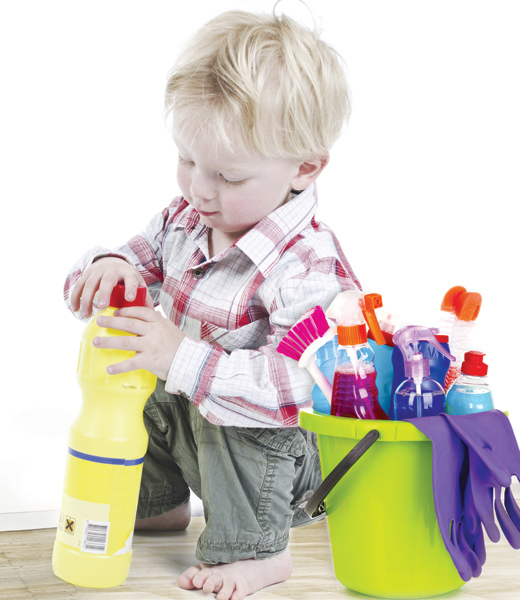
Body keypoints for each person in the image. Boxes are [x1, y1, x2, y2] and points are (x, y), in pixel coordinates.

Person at [64, 6, 360, 600]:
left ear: (305, 167)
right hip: (200, 434)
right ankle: (159, 503)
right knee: (132, 369)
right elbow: (132, 259)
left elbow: (298, 387)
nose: (199, 187)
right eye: (188, 160)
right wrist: (108, 269)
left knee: (218, 396)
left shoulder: (306, 265)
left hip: (283, 464)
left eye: (227, 175)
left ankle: (259, 551)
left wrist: (184, 358)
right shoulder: (186, 218)